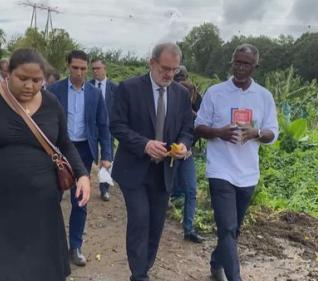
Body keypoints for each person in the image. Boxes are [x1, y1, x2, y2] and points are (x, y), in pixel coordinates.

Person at [0, 48, 91, 281]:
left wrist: (82, 175)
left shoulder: (51, 103)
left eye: (36, 80)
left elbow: (65, 143)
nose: (30, 86)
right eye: (23, 78)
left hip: (40, 208)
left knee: (37, 268)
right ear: (8, 73)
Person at [194, 44, 279, 281]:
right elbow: (198, 126)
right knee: (228, 227)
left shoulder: (264, 96)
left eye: (246, 64)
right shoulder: (215, 92)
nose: (241, 68)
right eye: (237, 62)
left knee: (234, 229)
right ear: (232, 63)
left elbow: (273, 132)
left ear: (255, 66)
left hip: (248, 173)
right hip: (220, 170)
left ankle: (216, 263)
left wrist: (256, 133)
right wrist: (219, 132)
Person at [110, 42, 193, 281]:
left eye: (174, 70)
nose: (169, 74)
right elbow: (117, 125)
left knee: (156, 223)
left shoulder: (181, 94)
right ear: (152, 63)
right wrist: (145, 144)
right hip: (134, 170)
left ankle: (143, 267)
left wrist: (184, 145)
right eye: (164, 68)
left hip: (164, 172)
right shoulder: (129, 88)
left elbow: (188, 128)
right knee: (139, 218)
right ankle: (138, 275)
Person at [48, 50, 112, 267]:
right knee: (52, 197)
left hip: (83, 151)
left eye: (83, 68)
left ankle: (75, 246)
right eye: (75, 67)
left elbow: (103, 125)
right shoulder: (54, 90)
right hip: (57, 150)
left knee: (80, 200)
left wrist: (106, 156)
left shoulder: (94, 94)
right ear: (68, 66)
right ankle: (49, 244)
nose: (79, 72)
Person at [171, 79, 205, 243]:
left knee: (191, 190)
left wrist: (186, 148)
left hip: (186, 157)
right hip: (168, 157)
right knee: (164, 189)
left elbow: (193, 136)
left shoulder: (194, 118)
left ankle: (189, 229)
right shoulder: (167, 112)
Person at [89, 58, 118, 201]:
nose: (95, 71)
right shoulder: (87, 86)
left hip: (108, 130)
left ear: (105, 68)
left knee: (107, 159)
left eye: (98, 68)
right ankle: (83, 184)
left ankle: (104, 189)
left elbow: (119, 110)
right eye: (93, 68)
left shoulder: (115, 88)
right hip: (91, 129)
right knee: (88, 157)